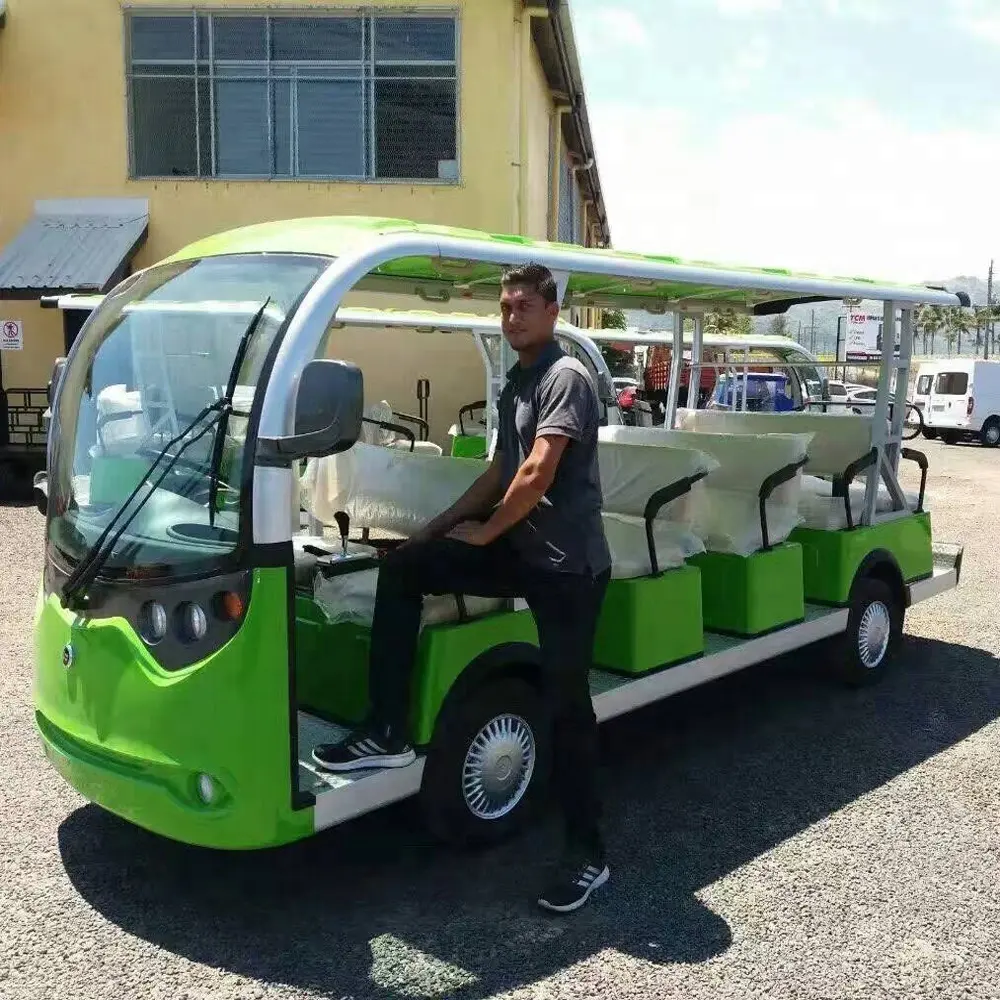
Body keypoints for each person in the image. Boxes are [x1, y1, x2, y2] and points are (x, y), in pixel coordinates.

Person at [313, 262, 612, 913]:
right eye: (504, 309)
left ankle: (587, 856)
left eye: (523, 308)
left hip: (568, 569)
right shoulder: (519, 385)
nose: (511, 320)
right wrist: (440, 529)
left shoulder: (566, 379)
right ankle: (387, 730)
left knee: (567, 709)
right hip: (523, 552)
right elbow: (499, 469)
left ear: (551, 313)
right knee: (405, 570)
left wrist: (488, 532)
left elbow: (535, 472)